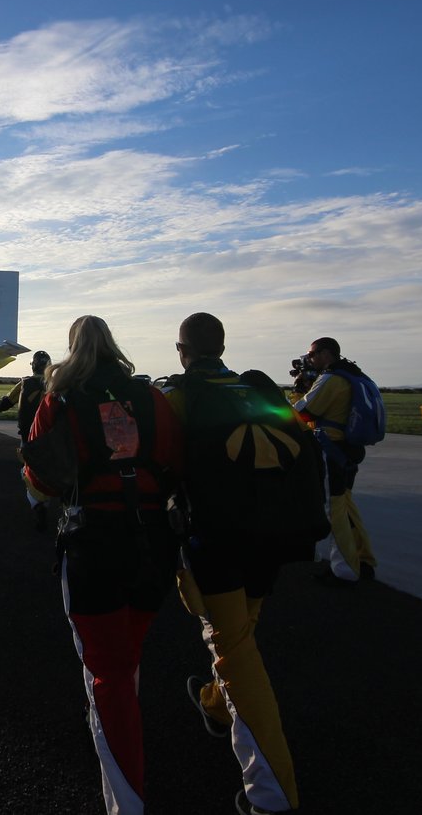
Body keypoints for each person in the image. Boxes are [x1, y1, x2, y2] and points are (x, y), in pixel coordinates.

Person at [22, 316, 183, 815]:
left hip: (93, 542)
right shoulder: (153, 398)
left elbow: (41, 478)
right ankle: (118, 723)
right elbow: (178, 463)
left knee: (106, 671)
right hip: (155, 539)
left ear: (72, 349)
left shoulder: (60, 398)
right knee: (127, 654)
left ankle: (126, 801)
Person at [163, 313, 302, 815]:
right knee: (242, 634)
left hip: (218, 540)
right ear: (221, 346)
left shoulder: (178, 394)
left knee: (235, 647)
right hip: (276, 535)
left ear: (183, 350)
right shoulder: (259, 389)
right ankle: (216, 705)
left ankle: (272, 793)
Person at [293, 336, 378, 586]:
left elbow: (302, 413)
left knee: (334, 510)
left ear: (326, 353)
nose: (309, 359)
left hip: (331, 450)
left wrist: (298, 390)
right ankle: (364, 560)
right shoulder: (353, 374)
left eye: (312, 354)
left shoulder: (331, 379)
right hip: (348, 450)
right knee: (346, 506)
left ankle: (345, 570)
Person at [0, 349, 51, 443]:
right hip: (48, 430)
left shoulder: (25, 383)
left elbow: (8, 401)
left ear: (33, 366)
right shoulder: (56, 384)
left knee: (27, 454)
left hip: (27, 430)